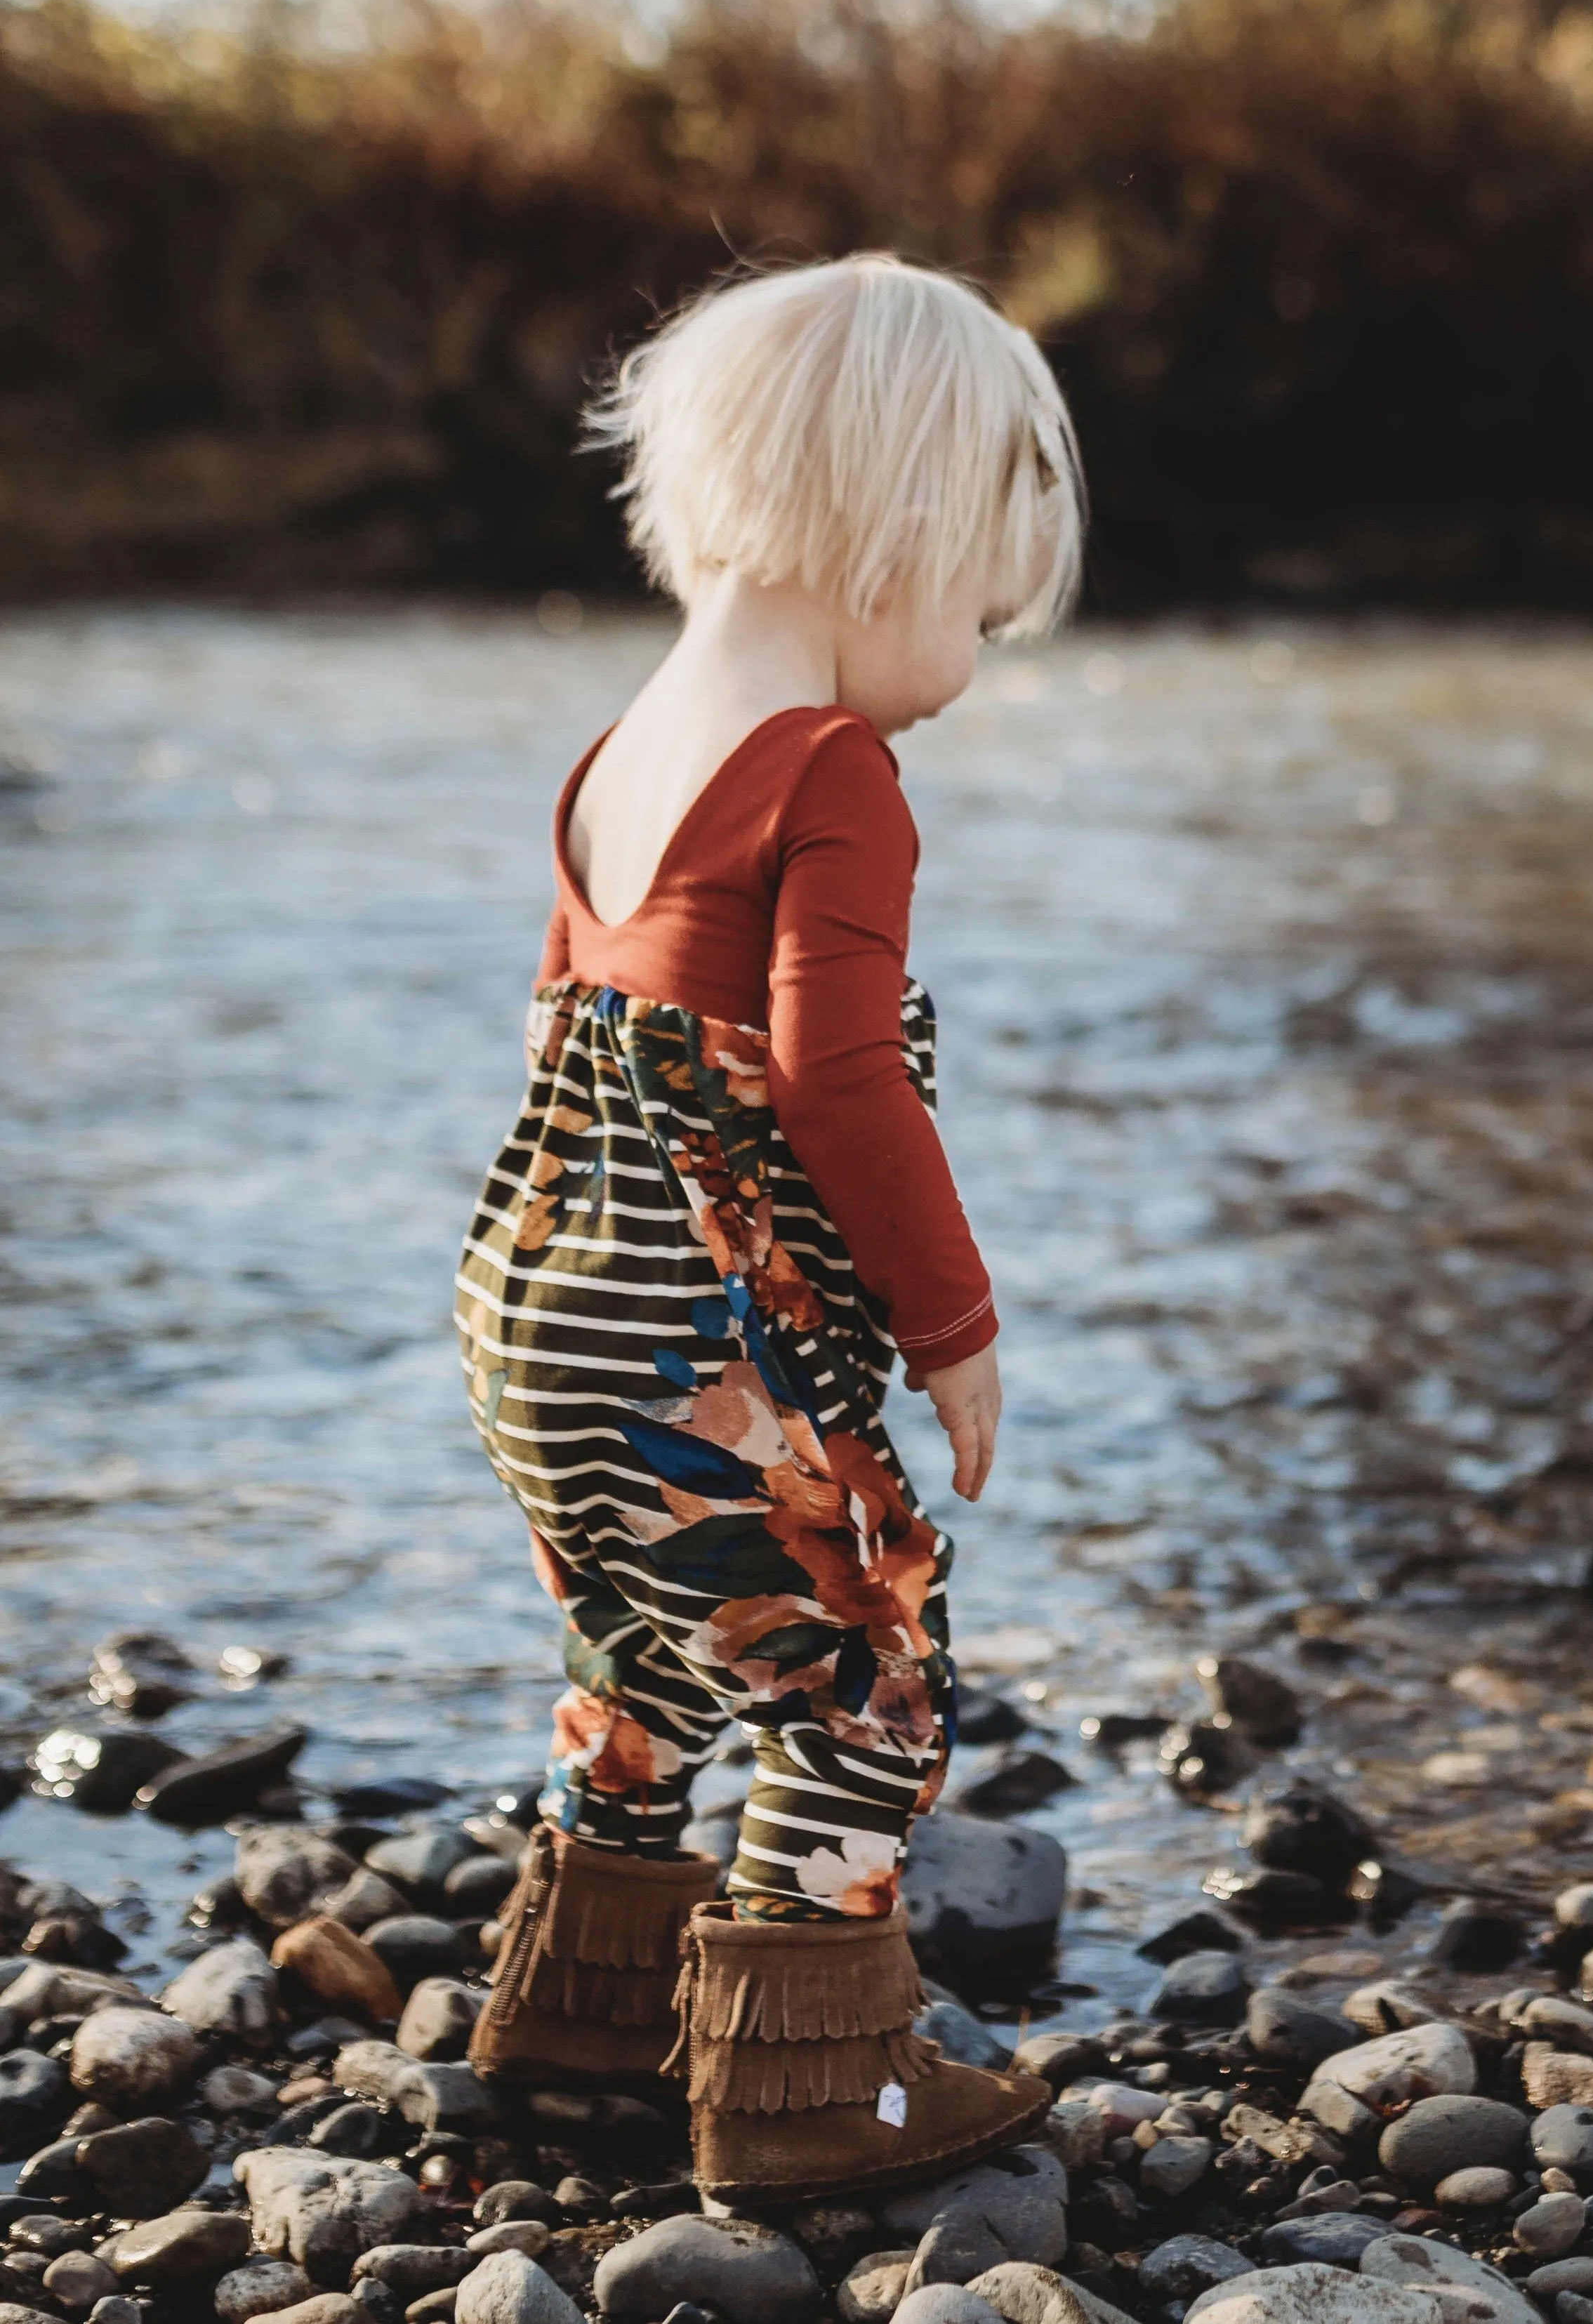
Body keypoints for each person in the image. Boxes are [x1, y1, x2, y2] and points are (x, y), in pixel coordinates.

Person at [451, 253, 1083, 2203]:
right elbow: (833, 1079)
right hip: (688, 1350)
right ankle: (813, 2092)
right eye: (980, 601)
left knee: (641, 1651)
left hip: (523, 1311)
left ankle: (583, 2027)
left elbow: (582, 1045)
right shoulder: (830, 772)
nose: (971, 653)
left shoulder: (613, 758)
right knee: (869, 1674)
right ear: (898, 534)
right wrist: (954, 1320)